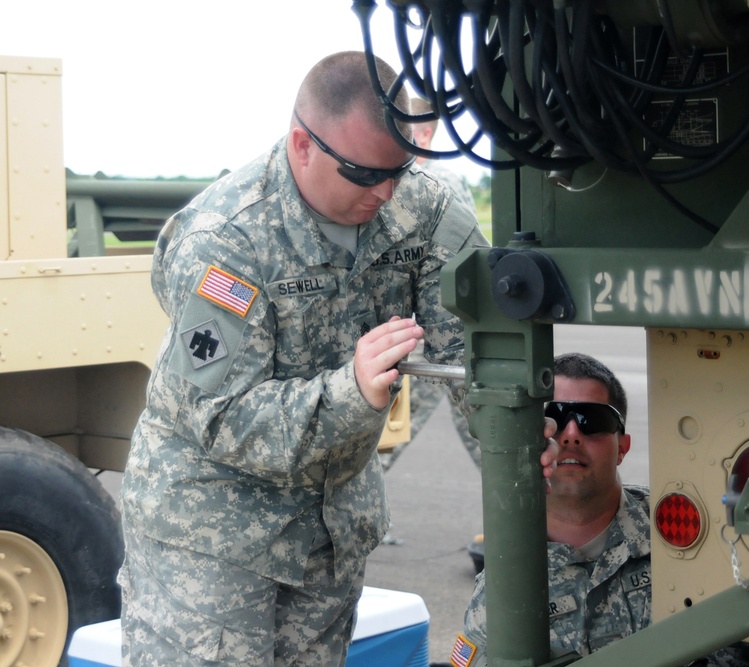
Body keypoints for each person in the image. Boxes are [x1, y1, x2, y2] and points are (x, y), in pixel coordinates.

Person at [117, 51, 488, 666]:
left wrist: (537, 448)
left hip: (329, 533)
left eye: (398, 170)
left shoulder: (421, 208)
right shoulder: (228, 239)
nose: (386, 192)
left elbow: (474, 349)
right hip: (211, 539)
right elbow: (219, 415)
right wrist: (352, 393)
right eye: (364, 174)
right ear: (302, 145)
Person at [451, 353, 749, 667]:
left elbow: (744, 646)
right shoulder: (509, 576)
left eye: (592, 421)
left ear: (622, 447)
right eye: (553, 417)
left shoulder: (685, 529)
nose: (571, 434)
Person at [381, 96, 482, 475]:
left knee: (391, 430)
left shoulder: (436, 184)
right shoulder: (441, 181)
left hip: (429, 335)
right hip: (432, 333)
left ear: (423, 133)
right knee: (478, 429)